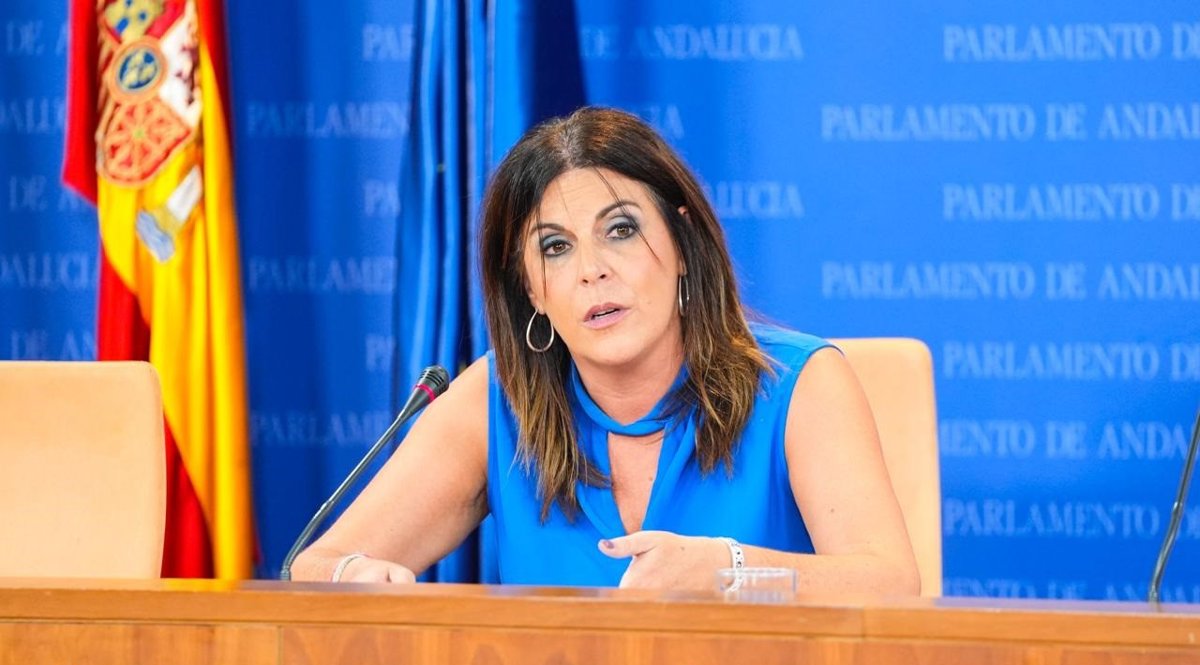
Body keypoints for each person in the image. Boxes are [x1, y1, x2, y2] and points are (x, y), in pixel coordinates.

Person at [290, 106, 920, 594]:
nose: (592, 270)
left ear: (682, 243)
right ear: (531, 289)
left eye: (620, 230)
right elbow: (316, 564)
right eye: (555, 248)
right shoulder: (496, 402)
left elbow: (889, 583)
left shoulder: (797, 384)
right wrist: (354, 577)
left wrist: (729, 573)